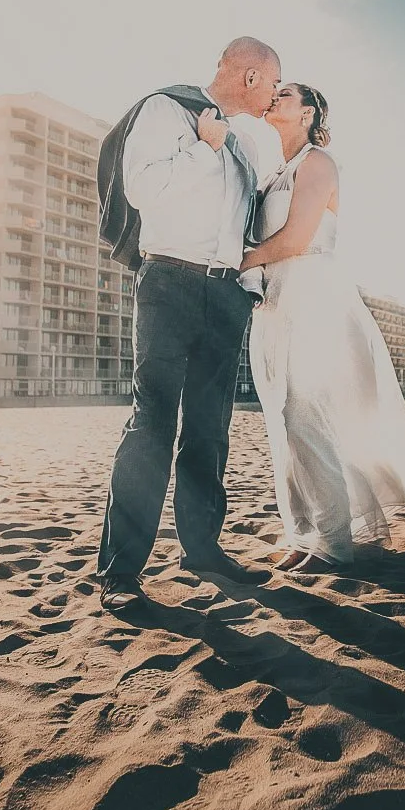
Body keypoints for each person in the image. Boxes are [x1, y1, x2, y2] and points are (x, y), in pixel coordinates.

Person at [93, 37, 285, 611]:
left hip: (225, 294)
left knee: (210, 430)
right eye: (274, 82)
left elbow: (240, 230)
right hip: (169, 282)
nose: (276, 94)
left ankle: (202, 551)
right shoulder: (167, 109)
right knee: (152, 423)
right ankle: (120, 573)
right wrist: (204, 148)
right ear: (251, 76)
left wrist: (247, 289)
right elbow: (143, 189)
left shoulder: (244, 149)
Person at [241, 84, 405, 573]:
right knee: (282, 420)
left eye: (284, 93)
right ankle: (300, 533)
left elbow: (296, 237)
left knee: (305, 415)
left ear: (308, 112)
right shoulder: (272, 174)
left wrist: (242, 259)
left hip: (313, 295)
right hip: (273, 302)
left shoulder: (319, 163)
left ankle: (332, 541)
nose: (273, 96)